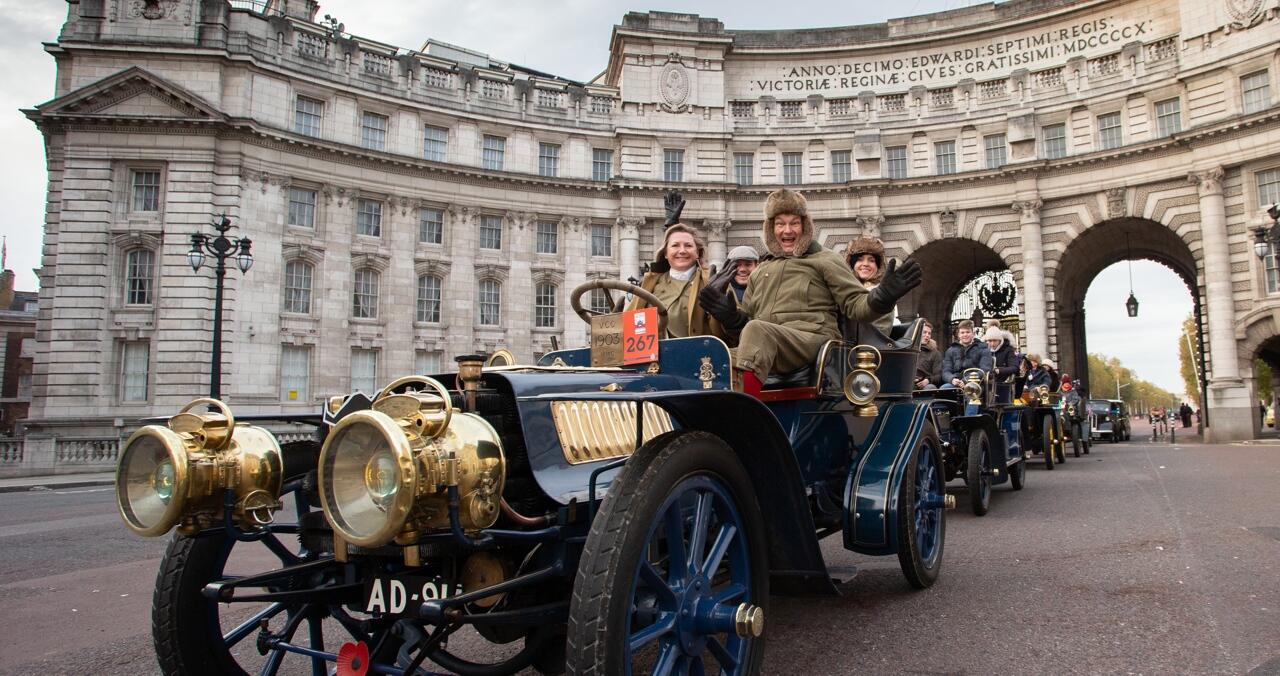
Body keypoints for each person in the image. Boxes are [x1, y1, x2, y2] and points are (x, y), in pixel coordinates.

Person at [698, 188, 921, 392]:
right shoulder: (760, 271)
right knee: (706, 357)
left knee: (757, 330)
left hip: (812, 340)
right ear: (770, 228)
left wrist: (882, 297)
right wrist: (731, 318)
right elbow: (747, 331)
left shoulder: (825, 260)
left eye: (794, 223)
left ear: (805, 226)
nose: (787, 230)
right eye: (780, 224)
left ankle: (745, 417)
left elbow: (855, 305)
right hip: (768, 345)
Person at [628, 223, 722, 339]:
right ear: (666, 253)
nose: (682, 251)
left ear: (697, 252)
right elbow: (628, 326)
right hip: (657, 355)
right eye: (675, 245)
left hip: (700, 354)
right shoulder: (650, 283)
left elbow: (731, 334)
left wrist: (727, 317)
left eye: (688, 245)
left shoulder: (714, 281)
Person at [844, 236, 893, 333]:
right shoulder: (846, 288)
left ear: (878, 266)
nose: (865, 264)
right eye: (860, 259)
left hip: (868, 344)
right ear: (852, 264)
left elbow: (880, 330)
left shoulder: (882, 291)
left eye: (871, 260)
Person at [941, 319, 994, 389]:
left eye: (968, 332)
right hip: (955, 382)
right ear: (959, 335)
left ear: (973, 334)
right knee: (944, 389)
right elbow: (946, 371)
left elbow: (985, 370)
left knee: (970, 391)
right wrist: (952, 379)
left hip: (976, 383)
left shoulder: (983, 348)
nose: (965, 335)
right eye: (962, 333)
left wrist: (966, 381)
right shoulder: (950, 350)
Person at [983, 325, 1018, 402]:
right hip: (986, 384)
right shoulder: (983, 350)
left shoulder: (1008, 350)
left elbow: (1015, 367)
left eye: (995, 340)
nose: (992, 344)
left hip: (1003, 383)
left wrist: (999, 370)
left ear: (1000, 340)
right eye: (989, 341)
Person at [914, 320, 942, 390]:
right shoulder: (909, 350)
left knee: (930, 388)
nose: (927, 335)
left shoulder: (935, 353)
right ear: (917, 333)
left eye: (929, 333)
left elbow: (938, 375)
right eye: (924, 332)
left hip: (927, 384)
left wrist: (928, 380)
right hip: (909, 383)